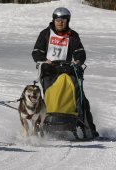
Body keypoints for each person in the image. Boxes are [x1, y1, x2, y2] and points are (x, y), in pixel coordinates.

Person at [32, 7, 99, 138]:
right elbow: (36, 52)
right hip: (49, 71)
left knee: (82, 100)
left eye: (63, 20)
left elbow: (80, 51)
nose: (60, 22)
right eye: (57, 20)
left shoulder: (73, 35)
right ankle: (36, 127)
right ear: (53, 20)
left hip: (68, 70)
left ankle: (91, 129)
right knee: (39, 100)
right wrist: (44, 60)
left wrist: (78, 60)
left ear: (68, 21)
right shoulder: (45, 34)